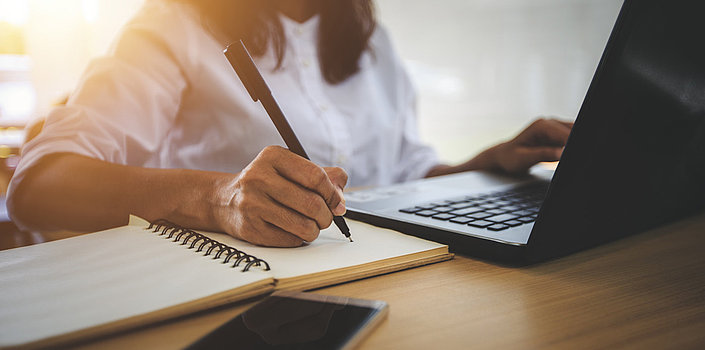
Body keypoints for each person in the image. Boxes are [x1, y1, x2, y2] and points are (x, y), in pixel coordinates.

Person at [7, 0, 572, 247]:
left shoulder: (367, 37)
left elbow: (402, 171)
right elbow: (38, 186)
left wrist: (484, 163)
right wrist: (218, 197)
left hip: (387, 279)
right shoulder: (170, 26)